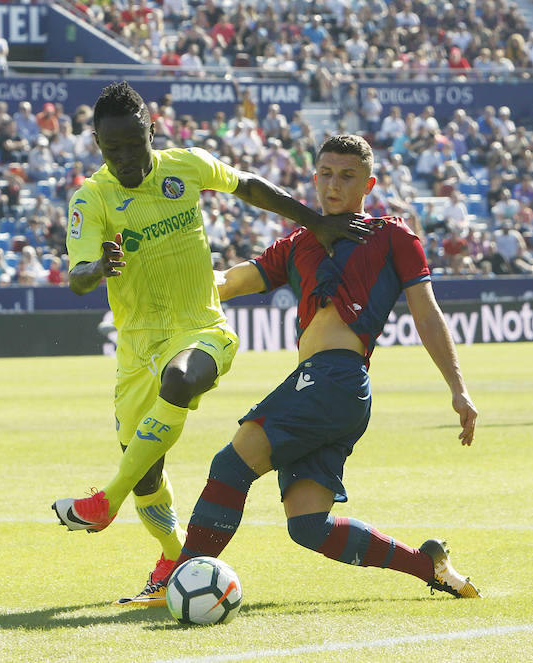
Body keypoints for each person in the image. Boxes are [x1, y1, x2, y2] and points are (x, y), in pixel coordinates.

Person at [51, 82, 372, 606]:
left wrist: (314, 221)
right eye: (115, 149)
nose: (128, 157)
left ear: (151, 130)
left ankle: (104, 502)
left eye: (136, 143)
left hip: (200, 328)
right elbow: (77, 277)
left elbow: (249, 186)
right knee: (147, 471)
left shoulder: (187, 166)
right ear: (97, 144)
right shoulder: (92, 198)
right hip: (136, 349)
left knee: (182, 378)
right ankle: (171, 553)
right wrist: (98, 267)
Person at [170, 135, 480, 600]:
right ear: (314, 177)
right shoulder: (297, 243)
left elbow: (427, 312)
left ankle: (174, 579)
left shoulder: (393, 235)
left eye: (347, 176)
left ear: (368, 184)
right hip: (328, 389)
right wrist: (165, 271)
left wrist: (458, 387)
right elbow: (227, 282)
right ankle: (428, 565)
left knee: (231, 464)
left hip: (335, 378)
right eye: (326, 174)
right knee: (309, 525)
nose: (333, 185)